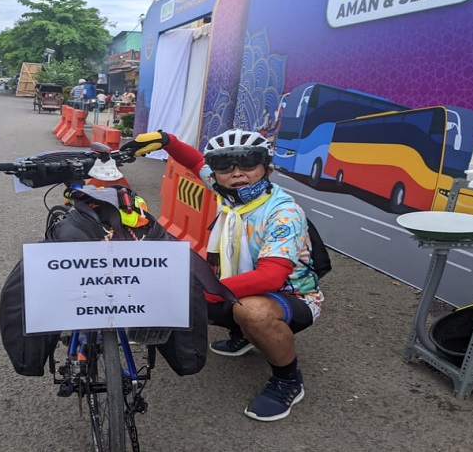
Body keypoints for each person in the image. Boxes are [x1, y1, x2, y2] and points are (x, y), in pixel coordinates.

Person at [120, 129, 324, 422]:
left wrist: (195, 292)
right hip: (245, 288)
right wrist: (167, 141)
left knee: (250, 311)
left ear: (267, 168)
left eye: (248, 163)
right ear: (217, 174)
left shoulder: (283, 213)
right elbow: (195, 162)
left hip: (293, 297)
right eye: (225, 166)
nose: (237, 173)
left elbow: (270, 278)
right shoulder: (226, 190)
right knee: (184, 279)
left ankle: (288, 381)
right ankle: (242, 334)